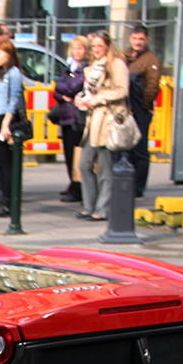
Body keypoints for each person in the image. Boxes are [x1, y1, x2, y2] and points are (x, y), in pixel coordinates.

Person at [74, 31, 130, 222]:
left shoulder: (116, 64)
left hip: (108, 121)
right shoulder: (92, 67)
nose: (96, 49)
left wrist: (98, 98)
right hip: (92, 122)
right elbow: (88, 90)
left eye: (99, 45)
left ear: (107, 45)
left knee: (105, 168)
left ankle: (102, 208)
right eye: (93, 46)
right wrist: (81, 99)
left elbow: (122, 90)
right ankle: (89, 205)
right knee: (84, 164)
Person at [122, 24, 161, 199]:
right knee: (125, 148)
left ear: (147, 40)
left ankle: (138, 186)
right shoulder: (124, 56)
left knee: (140, 149)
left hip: (141, 111)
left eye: (141, 39)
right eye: (135, 38)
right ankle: (126, 182)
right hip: (124, 111)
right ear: (131, 38)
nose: (137, 42)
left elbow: (152, 86)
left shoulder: (150, 59)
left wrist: (143, 105)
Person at [0, 40, 24, 218]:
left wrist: (6, 124)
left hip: (6, 120)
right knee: (1, 164)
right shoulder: (2, 73)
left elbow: (14, 100)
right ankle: (4, 200)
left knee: (7, 165)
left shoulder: (14, 73)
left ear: (9, 54)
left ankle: (8, 202)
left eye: (0, 53)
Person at [54, 36, 89, 203]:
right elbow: (57, 89)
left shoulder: (86, 69)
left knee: (77, 154)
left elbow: (74, 87)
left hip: (78, 117)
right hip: (66, 116)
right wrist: (64, 93)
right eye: (75, 48)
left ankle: (78, 187)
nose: (77, 52)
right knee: (68, 153)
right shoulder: (69, 68)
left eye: (81, 48)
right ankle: (72, 183)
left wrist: (64, 90)